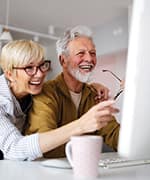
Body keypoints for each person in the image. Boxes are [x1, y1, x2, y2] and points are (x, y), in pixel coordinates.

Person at [0, 39, 118, 161]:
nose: (40, 74)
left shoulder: (34, 91)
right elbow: (15, 147)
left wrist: (91, 85)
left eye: (42, 65)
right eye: (29, 68)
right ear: (9, 74)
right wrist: (81, 125)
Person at [26, 26, 120, 158]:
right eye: (81, 53)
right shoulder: (46, 93)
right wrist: (82, 127)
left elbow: (113, 134)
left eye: (92, 53)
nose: (89, 59)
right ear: (63, 60)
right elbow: (43, 145)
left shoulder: (94, 94)